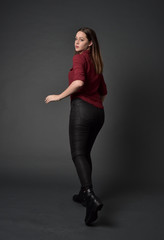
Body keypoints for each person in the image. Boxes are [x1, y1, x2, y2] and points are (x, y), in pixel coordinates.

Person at [44, 27, 107, 226]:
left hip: (82, 111)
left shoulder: (80, 58)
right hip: (98, 113)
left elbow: (79, 82)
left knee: (78, 154)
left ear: (90, 43)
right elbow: (104, 92)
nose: (76, 42)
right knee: (85, 153)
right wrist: (94, 105)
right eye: (75, 39)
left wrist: (58, 96)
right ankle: (83, 192)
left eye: (81, 39)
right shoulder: (96, 62)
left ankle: (90, 197)